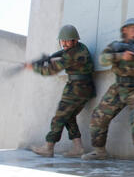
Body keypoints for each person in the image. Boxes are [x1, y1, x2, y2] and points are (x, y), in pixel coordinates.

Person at [82, 18, 134, 165]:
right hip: (118, 87)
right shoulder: (115, 46)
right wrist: (120, 56)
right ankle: (100, 151)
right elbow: (102, 60)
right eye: (133, 29)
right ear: (124, 30)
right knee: (98, 116)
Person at [27, 25, 96, 158]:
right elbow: (63, 56)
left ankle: (48, 147)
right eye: (62, 41)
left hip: (76, 88)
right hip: (85, 88)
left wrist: (33, 67)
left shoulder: (72, 54)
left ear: (74, 41)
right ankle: (78, 148)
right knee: (69, 116)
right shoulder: (81, 48)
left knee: (59, 117)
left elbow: (50, 70)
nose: (64, 43)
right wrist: (50, 58)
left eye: (67, 40)